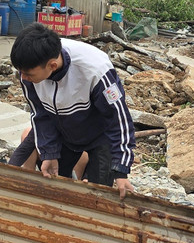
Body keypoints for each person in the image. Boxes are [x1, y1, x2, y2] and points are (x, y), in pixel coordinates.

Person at [10, 23, 136, 197]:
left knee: (98, 195)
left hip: (100, 135)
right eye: (20, 72)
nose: (23, 78)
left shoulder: (95, 71)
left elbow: (118, 119)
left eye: (28, 74)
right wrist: (49, 153)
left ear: (52, 66)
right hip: (63, 129)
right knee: (56, 188)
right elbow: (40, 115)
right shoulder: (29, 71)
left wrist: (121, 170)